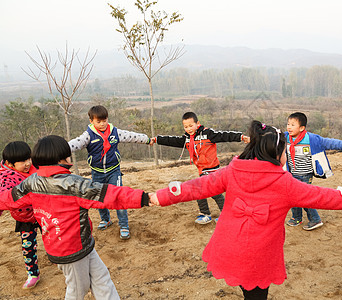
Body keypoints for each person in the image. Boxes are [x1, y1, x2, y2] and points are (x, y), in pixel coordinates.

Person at [150, 120, 342, 300]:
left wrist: (161, 196)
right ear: (276, 155)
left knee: (248, 290)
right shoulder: (286, 183)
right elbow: (323, 196)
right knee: (258, 294)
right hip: (261, 254)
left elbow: (197, 187)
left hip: (231, 246)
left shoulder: (231, 171)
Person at [0, 135, 150, 300]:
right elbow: (111, 195)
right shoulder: (73, 184)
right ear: (63, 159)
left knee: (102, 279)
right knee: (78, 290)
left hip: (80, 244)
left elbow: (6, 199)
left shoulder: (31, 182)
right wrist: (145, 198)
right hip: (71, 251)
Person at [150, 111, 249, 224]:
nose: (189, 129)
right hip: (202, 169)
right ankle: (207, 213)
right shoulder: (187, 139)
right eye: (186, 126)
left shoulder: (208, 134)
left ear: (197, 123)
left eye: (191, 125)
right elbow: (173, 140)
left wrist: (241, 137)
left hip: (212, 168)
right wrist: (157, 139)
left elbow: (224, 135)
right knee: (201, 190)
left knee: (207, 191)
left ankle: (222, 214)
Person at [69, 105, 151, 240]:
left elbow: (131, 136)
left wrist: (147, 140)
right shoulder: (88, 135)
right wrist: (58, 150)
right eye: (98, 121)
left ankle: (124, 225)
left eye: (104, 120)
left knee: (119, 197)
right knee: (99, 197)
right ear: (91, 121)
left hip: (114, 171)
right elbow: (74, 144)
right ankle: (105, 219)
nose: (102, 124)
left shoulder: (115, 132)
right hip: (97, 172)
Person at [284, 112, 342, 230]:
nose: (289, 127)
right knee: (291, 195)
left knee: (304, 197)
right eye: (288, 124)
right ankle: (297, 217)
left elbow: (330, 142)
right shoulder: (285, 137)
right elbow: (268, 138)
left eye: (293, 124)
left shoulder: (311, 139)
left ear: (302, 128)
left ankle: (315, 219)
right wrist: (252, 139)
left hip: (306, 174)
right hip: (292, 173)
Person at [0, 141, 41, 289]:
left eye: (28, 158)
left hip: (42, 211)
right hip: (25, 217)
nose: (28, 163)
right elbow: (4, 197)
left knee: (51, 235)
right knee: (28, 246)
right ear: (10, 164)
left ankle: (56, 258)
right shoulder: (6, 178)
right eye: (23, 161)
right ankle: (33, 274)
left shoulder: (35, 167)